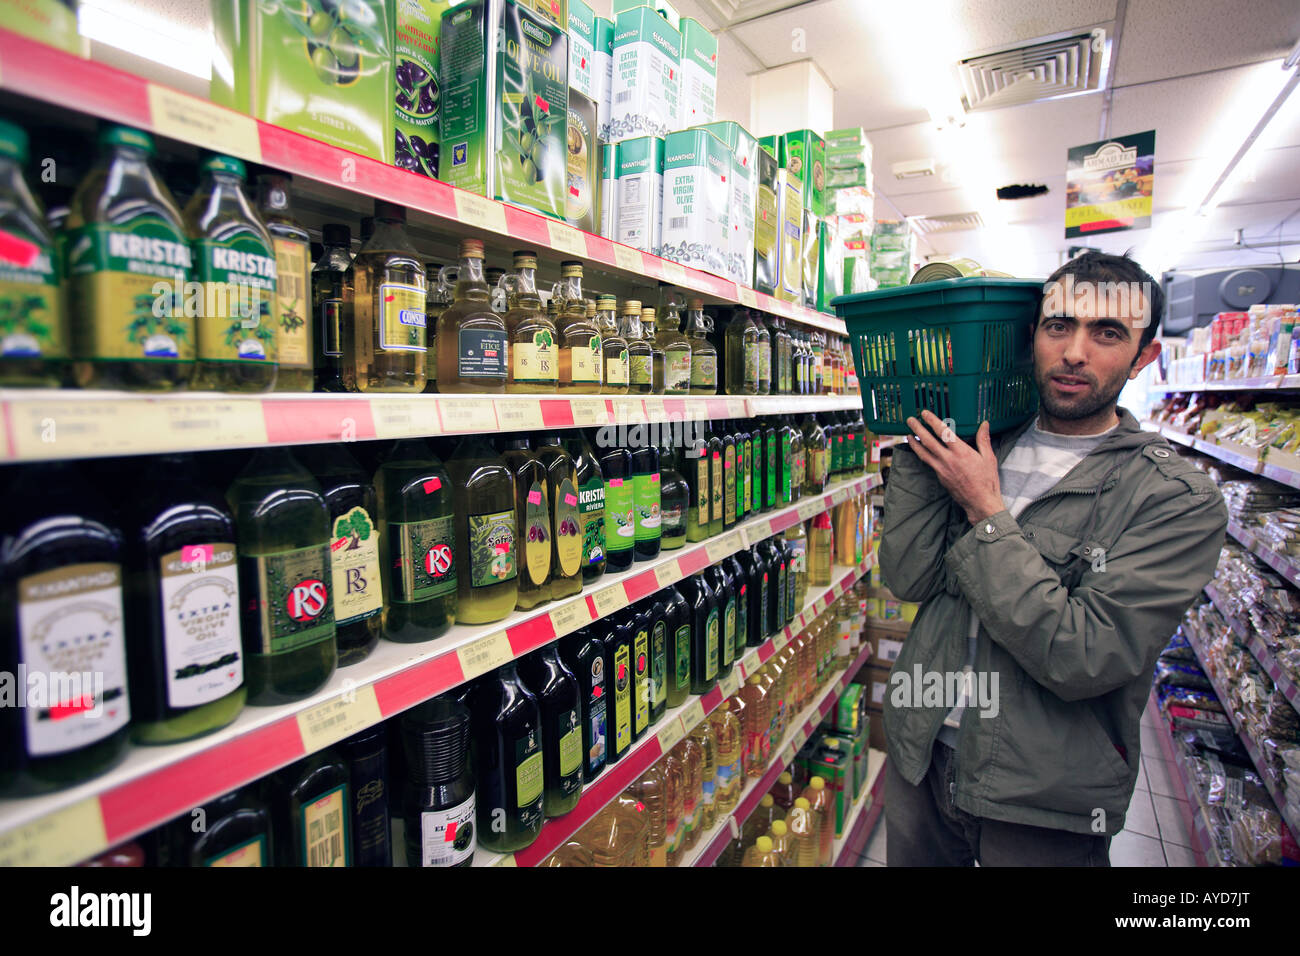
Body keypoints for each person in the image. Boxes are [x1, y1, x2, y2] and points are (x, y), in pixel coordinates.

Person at [879, 251, 1227, 866]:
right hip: (921, 755)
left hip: (1043, 799)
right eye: (1059, 325)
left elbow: (1085, 655)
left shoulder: (1175, 499)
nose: (1074, 351)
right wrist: (918, 434)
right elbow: (908, 578)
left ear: (1145, 356)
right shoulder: (987, 439)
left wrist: (987, 511)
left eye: (1108, 333)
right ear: (1032, 334)